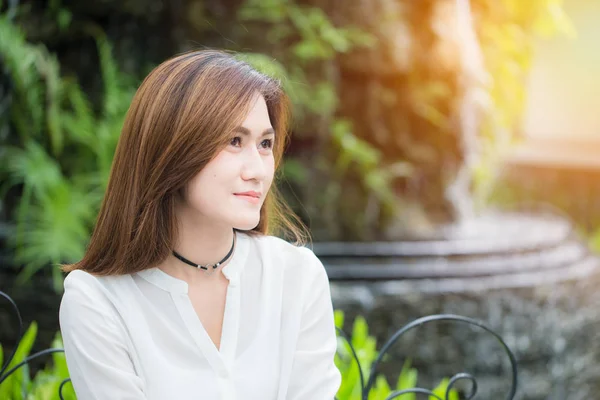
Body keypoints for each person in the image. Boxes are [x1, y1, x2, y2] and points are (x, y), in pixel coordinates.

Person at [58, 49, 342, 400]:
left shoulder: (297, 277)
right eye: (234, 141)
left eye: (265, 143)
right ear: (172, 150)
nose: (257, 170)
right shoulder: (97, 300)